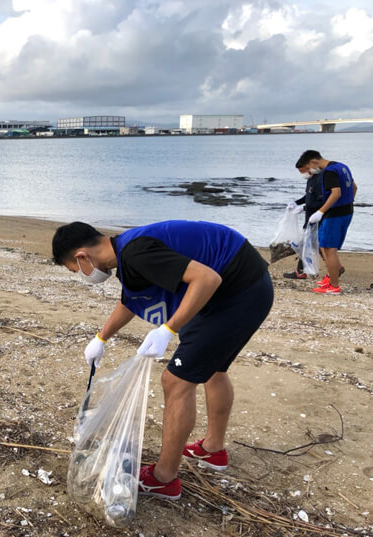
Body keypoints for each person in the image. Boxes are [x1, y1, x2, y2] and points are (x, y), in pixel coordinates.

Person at [52, 220, 273, 500]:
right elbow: (130, 300)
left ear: (82, 256)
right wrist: (102, 337)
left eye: (75, 270)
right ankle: (213, 450)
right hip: (244, 287)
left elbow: (207, 279)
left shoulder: (136, 253)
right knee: (213, 370)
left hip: (235, 293)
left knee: (176, 380)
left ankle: (163, 478)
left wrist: (168, 330)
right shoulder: (125, 251)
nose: (82, 275)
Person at [295, 150, 356, 294]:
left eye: (308, 168)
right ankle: (331, 276)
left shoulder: (328, 172)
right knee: (323, 245)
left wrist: (321, 211)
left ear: (313, 162)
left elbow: (336, 193)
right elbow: (354, 187)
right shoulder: (342, 166)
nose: (309, 172)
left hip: (334, 214)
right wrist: (348, 203)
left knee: (329, 249)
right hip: (347, 211)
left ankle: (334, 286)